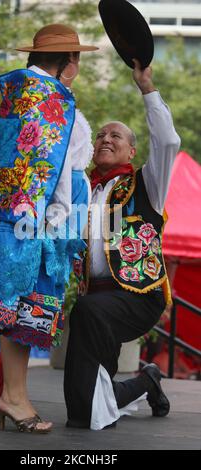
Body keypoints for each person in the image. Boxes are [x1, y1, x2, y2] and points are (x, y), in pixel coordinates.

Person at [0, 24, 97, 433]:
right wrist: (59, 218)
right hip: (34, 221)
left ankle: (14, 396)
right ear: (70, 62)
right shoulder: (52, 97)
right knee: (25, 307)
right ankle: (13, 397)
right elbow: (53, 164)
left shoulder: (20, 91)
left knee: (18, 308)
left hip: (12, 214)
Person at [64, 59, 181, 430]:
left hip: (138, 296)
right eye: (100, 135)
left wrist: (147, 87)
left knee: (88, 312)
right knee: (83, 411)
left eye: (116, 136)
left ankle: (118, 393)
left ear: (132, 152)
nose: (105, 139)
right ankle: (145, 382)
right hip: (96, 300)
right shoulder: (82, 190)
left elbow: (167, 141)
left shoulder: (147, 184)